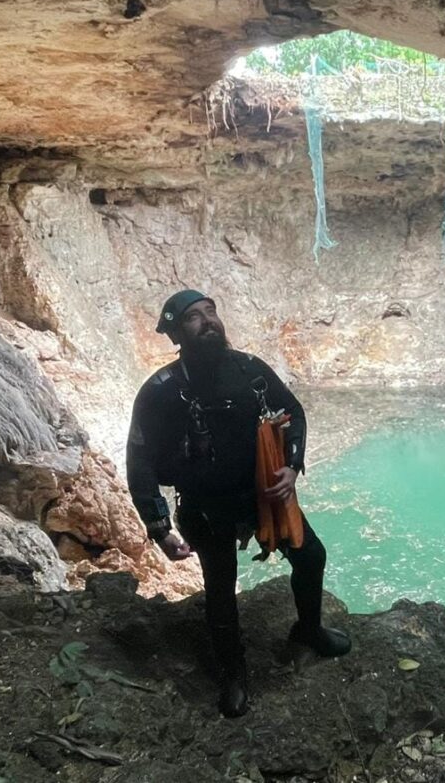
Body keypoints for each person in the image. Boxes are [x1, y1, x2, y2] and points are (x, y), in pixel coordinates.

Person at [126, 289, 351, 717]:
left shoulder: (249, 371)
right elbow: (140, 462)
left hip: (261, 497)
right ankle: (233, 671)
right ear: (175, 334)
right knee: (220, 586)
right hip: (205, 506)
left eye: (210, 311)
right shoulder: (160, 392)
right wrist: (159, 528)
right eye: (193, 317)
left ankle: (309, 630)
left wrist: (292, 466)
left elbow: (293, 411)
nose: (207, 320)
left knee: (311, 556)